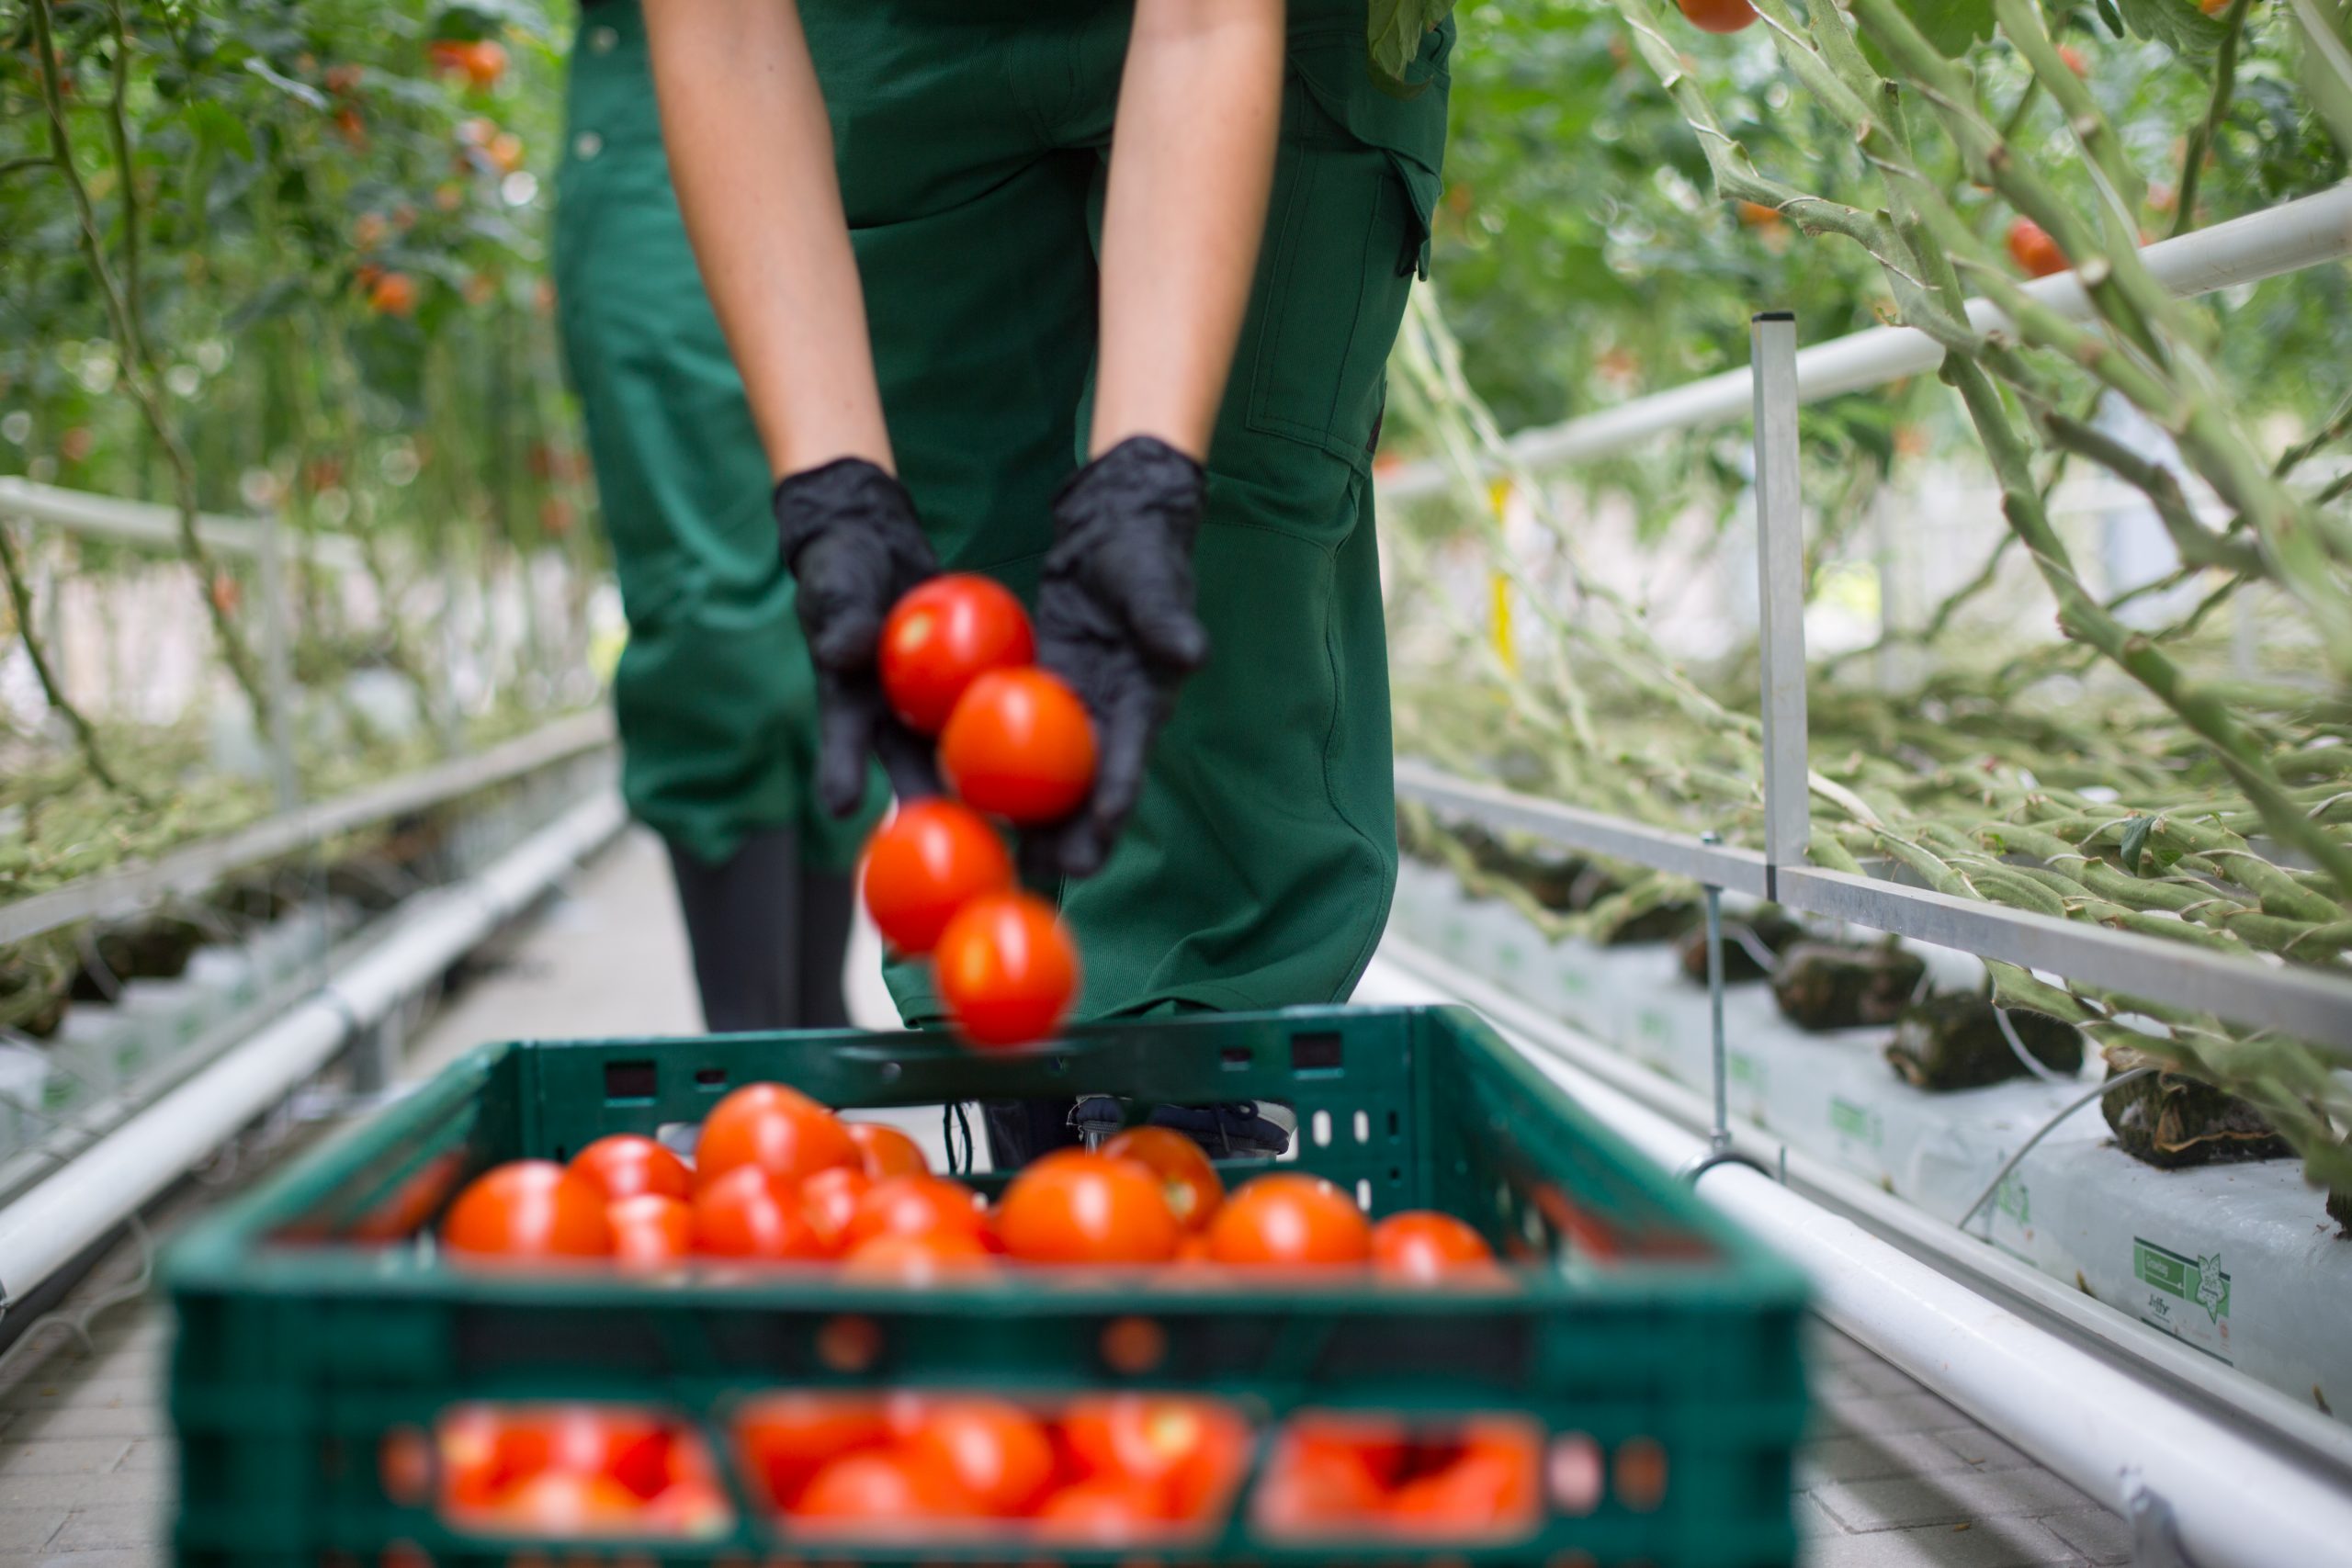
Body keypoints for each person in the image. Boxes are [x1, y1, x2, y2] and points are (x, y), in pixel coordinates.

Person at [638, 0, 1452, 1151]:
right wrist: (831, 488)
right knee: (961, 592)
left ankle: (1195, 1094)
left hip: (1262, 25)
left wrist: (1144, 472)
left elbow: (1206, 22)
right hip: (893, 44)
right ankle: (1026, 1104)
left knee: (1223, 564)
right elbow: (722, 34)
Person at [551, 2, 888, 1033]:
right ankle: (755, 1052)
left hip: (879, 95)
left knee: (853, 567)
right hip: (674, 92)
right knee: (713, 597)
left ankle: (812, 1030)